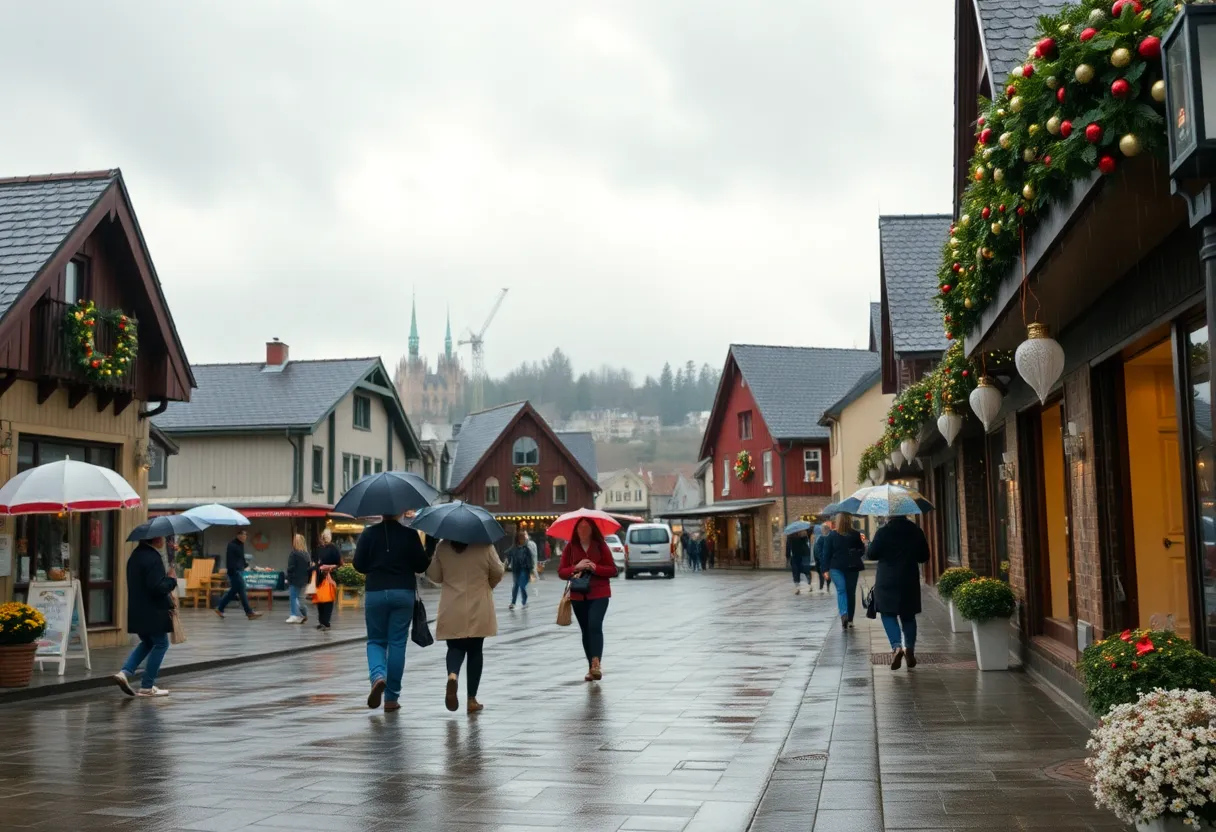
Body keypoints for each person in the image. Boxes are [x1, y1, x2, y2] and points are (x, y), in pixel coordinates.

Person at [353, 514, 431, 711]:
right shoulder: (410, 534)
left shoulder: (368, 534)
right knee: (397, 643)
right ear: (400, 511)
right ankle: (391, 699)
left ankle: (378, 676)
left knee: (376, 641)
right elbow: (422, 565)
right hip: (402, 593)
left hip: (376, 592)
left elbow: (358, 565)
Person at [426, 537, 504, 713]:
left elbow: (434, 575)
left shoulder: (443, 546)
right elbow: (498, 571)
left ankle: (453, 675)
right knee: (476, 650)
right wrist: (488, 584)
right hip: (479, 603)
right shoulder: (484, 545)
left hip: (452, 603)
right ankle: (471, 700)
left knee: (454, 646)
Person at [114, 536, 177, 697]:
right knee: (162, 644)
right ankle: (147, 686)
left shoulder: (135, 556)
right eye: (161, 537)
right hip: (153, 611)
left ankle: (124, 673)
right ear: (155, 539)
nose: (163, 540)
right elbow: (156, 587)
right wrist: (171, 580)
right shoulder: (153, 558)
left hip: (137, 610)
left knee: (148, 642)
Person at [867, 515, 931, 670]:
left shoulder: (883, 532)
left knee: (888, 614)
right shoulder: (916, 531)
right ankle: (909, 648)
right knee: (908, 615)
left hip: (887, 579)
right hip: (909, 578)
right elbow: (924, 557)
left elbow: (871, 554)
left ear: (890, 516)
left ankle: (896, 647)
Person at [557, 518, 618, 681]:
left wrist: (595, 567)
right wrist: (576, 567)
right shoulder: (570, 547)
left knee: (594, 625)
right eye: (580, 528)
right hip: (578, 594)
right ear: (576, 530)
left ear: (592, 530)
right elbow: (562, 572)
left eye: (587, 528)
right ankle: (591, 668)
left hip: (599, 593)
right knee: (586, 630)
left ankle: (596, 662)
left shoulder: (601, 546)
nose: (583, 531)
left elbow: (613, 570)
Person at [822, 512, 866, 630]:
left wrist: (825, 569)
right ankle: (848, 618)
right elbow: (861, 551)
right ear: (849, 520)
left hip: (836, 567)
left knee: (842, 590)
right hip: (851, 567)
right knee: (850, 592)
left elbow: (826, 553)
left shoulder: (832, 535)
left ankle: (844, 615)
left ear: (838, 521)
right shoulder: (855, 534)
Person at [215, 529, 262, 620]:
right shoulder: (232, 545)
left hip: (238, 571)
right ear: (239, 535)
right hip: (234, 572)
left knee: (234, 591)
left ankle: (220, 608)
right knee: (242, 590)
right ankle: (249, 612)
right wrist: (236, 570)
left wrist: (249, 566)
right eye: (244, 535)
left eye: (246, 535)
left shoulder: (240, 545)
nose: (245, 537)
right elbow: (232, 560)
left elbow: (241, 559)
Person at [312, 529, 342, 631]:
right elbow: (315, 561)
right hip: (319, 577)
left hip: (330, 577)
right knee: (320, 600)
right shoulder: (319, 548)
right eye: (323, 536)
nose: (323, 538)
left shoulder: (333, 548)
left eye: (325, 536)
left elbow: (339, 563)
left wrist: (329, 567)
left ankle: (326, 623)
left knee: (328, 600)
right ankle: (321, 622)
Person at [503, 530, 535, 610]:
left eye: (524, 538)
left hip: (524, 569)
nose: (523, 540)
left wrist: (531, 570)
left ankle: (524, 602)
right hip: (516, 569)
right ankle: (513, 603)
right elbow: (507, 554)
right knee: (516, 586)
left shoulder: (526, 549)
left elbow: (530, 559)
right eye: (521, 538)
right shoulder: (514, 548)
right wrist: (506, 562)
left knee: (522, 585)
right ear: (517, 539)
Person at [285, 534, 311, 624]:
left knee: (293, 597)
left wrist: (287, 577)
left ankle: (293, 615)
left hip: (295, 579)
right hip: (304, 580)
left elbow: (291, 567)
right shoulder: (307, 554)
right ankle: (304, 614)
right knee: (301, 599)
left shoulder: (294, 553)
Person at [786, 529, 812, 594]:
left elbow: (788, 547)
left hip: (796, 556)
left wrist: (788, 557)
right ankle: (809, 585)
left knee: (796, 572)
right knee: (806, 571)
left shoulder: (790, 537)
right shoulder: (803, 535)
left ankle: (798, 588)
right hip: (804, 556)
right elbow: (806, 544)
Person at [812, 520, 833, 594]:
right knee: (823, 573)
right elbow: (817, 550)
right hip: (822, 560)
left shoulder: (823, 538)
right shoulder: (821, 538)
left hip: (824, 560)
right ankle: (825, 586)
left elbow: (817, 550)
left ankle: (824, 586)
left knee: (824, 573)